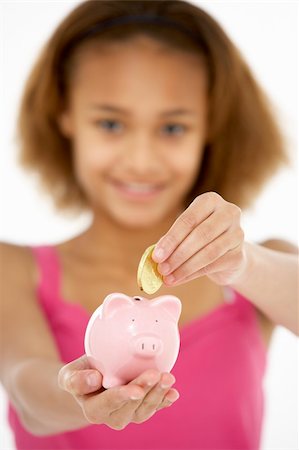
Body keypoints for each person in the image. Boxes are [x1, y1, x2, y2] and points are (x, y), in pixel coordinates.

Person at [0, 1, 297, 449]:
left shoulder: (259, 272)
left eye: (173, 128)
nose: (140, 161)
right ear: (65, 114)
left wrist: (243, 264)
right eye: (111, 123)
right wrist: (79, 398)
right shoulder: (14, 269)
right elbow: (27, 393)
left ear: (210, 127)